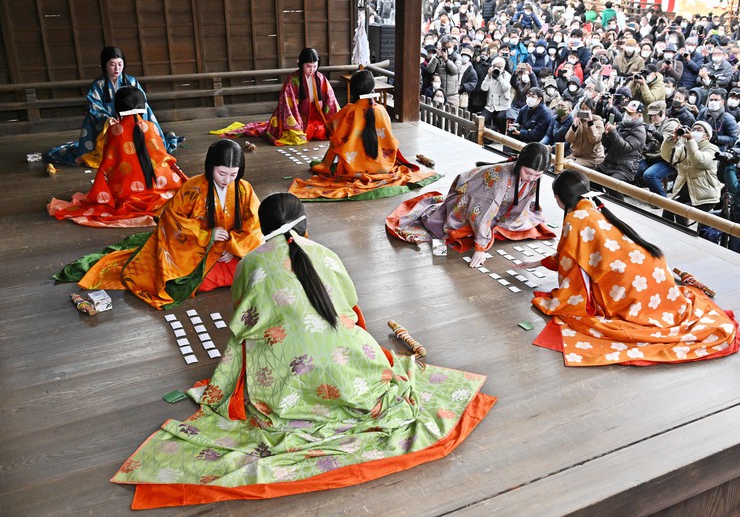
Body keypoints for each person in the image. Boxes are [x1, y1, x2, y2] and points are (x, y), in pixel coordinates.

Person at [110, 193, 494, 509]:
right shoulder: (324, 253)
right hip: (352, 367)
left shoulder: (252, 262)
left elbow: (243, 320)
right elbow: (350, 306)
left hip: (287, 373)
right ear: (304, 223)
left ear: (263, 227)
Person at [524, 169, 740, 367]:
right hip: (651, 271)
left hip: (628, 284)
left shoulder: (576, 218)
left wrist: (549, 278)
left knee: (590, 309)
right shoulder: (592, 206)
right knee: (659, 307)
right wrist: (541, 262)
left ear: (559, 198)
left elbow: (571, 263)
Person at [57, 140, 262, 309]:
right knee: (190, 283)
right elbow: (172, 221)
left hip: (229, 251)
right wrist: (207, 237)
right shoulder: (193, 188)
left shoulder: (244, 189)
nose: (227, 180)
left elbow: (254, 225)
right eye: (222, 173)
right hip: (193, 251)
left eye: (233, 174)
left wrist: (232, 248)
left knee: (253, 269)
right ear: (211, 167)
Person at [386, 142, 556, 268]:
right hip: (470, 199)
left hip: (493, 204)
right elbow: (483, 209)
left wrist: (505, 221)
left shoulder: (532, 178)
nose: (531, 178)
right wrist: (480, 247)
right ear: (520, 163)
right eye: (528, 172)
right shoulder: (501, 178)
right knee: (458, 228)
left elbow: (522, 202)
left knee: (517, 225)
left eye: (538, 175)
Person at [48, 87, 186, 227]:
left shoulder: (115, 131)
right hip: (159, 186)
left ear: (118, 106)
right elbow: (161, 156)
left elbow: (108, 163)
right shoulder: (151, 127)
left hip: (125, 190)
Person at [288, 70, 437, 200]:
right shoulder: (381, 110)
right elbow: (388, 140)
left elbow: (333, 131)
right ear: (372, 88)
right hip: (383, 166)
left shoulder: (349, 111)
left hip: (352, 168)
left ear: (353, 91)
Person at [45, 46, 168, 166]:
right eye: (112, 64)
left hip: (129, 118)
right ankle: (93, 151)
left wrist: (128, 116)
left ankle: (143, 146)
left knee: (146, 113)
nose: (117, 68)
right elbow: (93, 104)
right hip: (105, 121)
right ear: (105, 65)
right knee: (91, 116)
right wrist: (107, 118)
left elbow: (141, 100)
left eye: (120, 64)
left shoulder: (131, 81)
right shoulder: (99, 84)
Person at [218, 48, 339, 146]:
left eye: (315, 66)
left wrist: (337, 121)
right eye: (308, 66)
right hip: (298, 116)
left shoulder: (321, 78)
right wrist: (296, 127)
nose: (312, 69)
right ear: (301, 64)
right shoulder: (293, 80)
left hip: (316, 114)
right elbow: (287, 104)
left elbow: (331, 101)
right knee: (301, 134)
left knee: (322, 131)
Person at [661, 121, 722, 226]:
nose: (694, 132)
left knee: (682, 212)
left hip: (705, 197)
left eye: (699, 130)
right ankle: (667, 234)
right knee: (668, 208)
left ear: (707, 136)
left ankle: (684, 237)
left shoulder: (712, 149)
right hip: (687, 194)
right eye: (693, 129)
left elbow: (699, 161)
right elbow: (667, 156)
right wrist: (672, 139)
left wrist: (690, 140)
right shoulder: (685, 146)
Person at [597, 100, 647, 195]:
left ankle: (619, 205)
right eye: (626, 112)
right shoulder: (621, 125)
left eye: (630, 113)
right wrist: (606, 133)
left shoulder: (640, 131)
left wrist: (613, 132)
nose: (626, 114)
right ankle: (599, 201)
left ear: (639, 115)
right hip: (609, 163)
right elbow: (606, 144)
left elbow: (625, 147)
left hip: (625, 168)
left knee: (612, 185)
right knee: (592, 178)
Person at [564, 97, 604, 169]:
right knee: (560, 163)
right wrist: (574, 126)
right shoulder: (578, 120)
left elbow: (595, 139)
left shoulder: (598, 122)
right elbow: (568, 139)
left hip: (592, 158)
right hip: (575, 156)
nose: (584, 111)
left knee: (569, 166)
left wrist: (590, 123)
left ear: (592, 110)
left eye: (587, 109)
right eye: (582, 109)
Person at [480, 56, 512, 134]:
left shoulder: (507, 76)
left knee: (500, 118)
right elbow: (483, 88)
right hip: (490, 105)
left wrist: (499, 77)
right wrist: (488, 76)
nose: (497, 68)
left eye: (499, 67)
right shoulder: (490, 75)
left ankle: (501, 135)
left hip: (503, 106)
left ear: (503, 68)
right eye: (495, 66)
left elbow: (506, 88)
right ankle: (486, 135)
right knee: (482, 119)